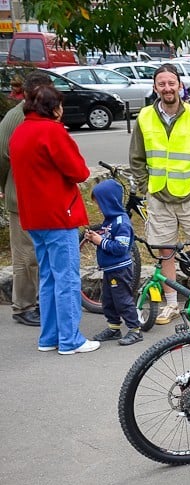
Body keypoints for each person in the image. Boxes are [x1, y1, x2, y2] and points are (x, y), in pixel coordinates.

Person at [9, 84, 98, 354]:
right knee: (67, 279)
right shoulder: (52, 132)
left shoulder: (20, 132)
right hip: (59, 214)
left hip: (33, 216)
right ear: (53, 108)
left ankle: (49, 337)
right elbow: (79, 172)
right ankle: (70, 339)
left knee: (48, 278)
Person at [129, 63, 190, 326]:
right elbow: (136, 158)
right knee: (164, 252)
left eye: (171, 83)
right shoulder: (144, 117)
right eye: (161, 84)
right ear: (155, 87)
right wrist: (146, 187)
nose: (167, 88)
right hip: (159, 196)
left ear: (180, 86)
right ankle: (171, 305)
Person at [0, 71, 53, 328]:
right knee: (25, 257)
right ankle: (23, 306)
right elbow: (1, 156)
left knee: (40, 255)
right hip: (19, 197)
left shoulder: (45, 113)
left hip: (41, 198)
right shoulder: (15, 118)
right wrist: (3, 187)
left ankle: (41, 301)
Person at [86, 179, 143, 346]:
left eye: (100, 204)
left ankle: (135, 330)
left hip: (120, 269)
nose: (98, 208)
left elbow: (121, 247)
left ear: (109, 201)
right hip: (110, 268)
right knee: (108, 300)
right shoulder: (109, 220)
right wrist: (96, 237)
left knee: (123, 300)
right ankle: (114, 327)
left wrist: (99, 241)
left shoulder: (122, 222)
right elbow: (108, 239)